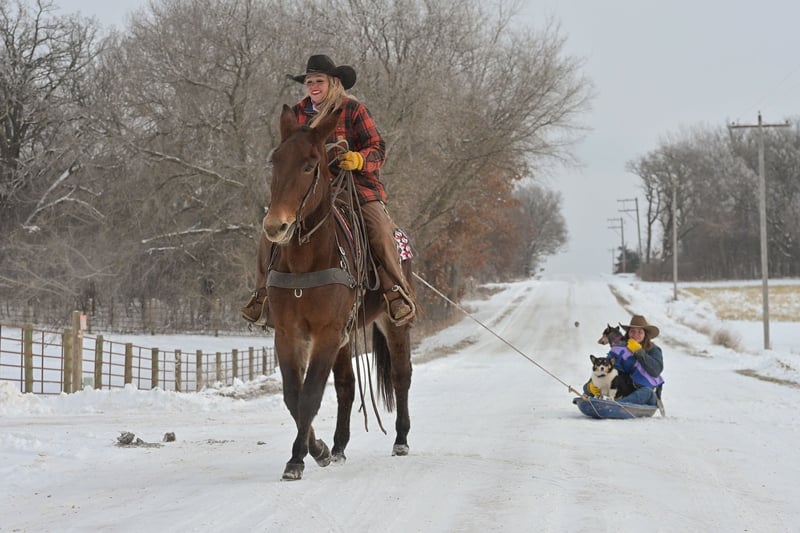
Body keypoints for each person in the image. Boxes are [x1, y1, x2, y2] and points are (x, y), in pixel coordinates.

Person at [240, 54, 416, 327]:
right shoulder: (297, 114)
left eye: (318, 81)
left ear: (333, 82)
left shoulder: (353, 110)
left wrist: (359, 159)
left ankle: (395, 291)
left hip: (355, 187)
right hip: (308, 190)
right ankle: (261, 295)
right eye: (309, 82)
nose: (313, 86)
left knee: (380, 229)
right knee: (271, 228)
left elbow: (377, 148)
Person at [585, 314, 665, 406]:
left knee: (647, 392)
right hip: (626, 389)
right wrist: (589, 387)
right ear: (628, 333)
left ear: (645, 334)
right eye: (632, 331)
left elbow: (656, 371)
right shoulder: (621, 349)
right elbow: (607, 369)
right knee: (597, 382)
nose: (636, 335)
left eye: (640, 332)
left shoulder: (653, 350)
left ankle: (616, 405)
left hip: (646, 391)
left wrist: (639, 352)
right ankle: (598, 402)